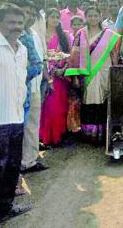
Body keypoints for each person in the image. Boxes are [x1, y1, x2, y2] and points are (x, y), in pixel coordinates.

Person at [0, 4, 31, 226]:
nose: (16, 27)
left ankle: (5, 208)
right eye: (11, 22)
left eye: (19, 23)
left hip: (16, 119)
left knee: (11, 168)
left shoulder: (22, 50)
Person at [66, 7, 121, 143]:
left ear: (100, 16)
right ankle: (89, 133)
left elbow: (114, 53)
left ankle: (104, 133)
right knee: (89, 100)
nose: (93, 18)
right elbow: (75, 55)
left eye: (95, 15)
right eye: (90, 16)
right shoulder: (81, 34)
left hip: (104, 70)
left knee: (104, 100)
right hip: (87, 73)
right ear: (85, 17)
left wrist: (116, 70)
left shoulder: (108, 33)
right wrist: (75, 76)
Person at [7, 0, 47, 174]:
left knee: (32, 124)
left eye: (31, 13)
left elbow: (40, 58)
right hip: (19, 88)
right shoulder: (14, 35)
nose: (29, 16)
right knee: (17, 127)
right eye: (25, 12)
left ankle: (30, 160)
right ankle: (19, 164)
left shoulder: (33, 33)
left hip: (35, 86)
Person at [39, 8, 73, 146]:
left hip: (60, 77)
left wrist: (63, 69)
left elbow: (70, 54)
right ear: (46, 18)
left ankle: (59, 135)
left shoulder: (64, 35)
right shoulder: (40, 35)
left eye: (57, 17)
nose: (55, 19)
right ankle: (46, 136)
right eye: (52, 17)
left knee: (59, 106)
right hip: (44, 74)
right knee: (46, 107)